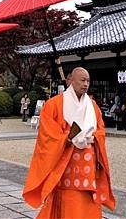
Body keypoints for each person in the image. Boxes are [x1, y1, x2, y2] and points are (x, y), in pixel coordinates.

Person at [23, 67, 115, 218]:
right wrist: (66, 139)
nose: (86, 84)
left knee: (88, 198)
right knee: (68, 198)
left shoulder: (93, 106)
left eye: (88, 81)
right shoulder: (54, 104)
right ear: (70, 81)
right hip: (67, 163)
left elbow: (101, 130)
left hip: (88, 162)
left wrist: (93, 137)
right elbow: (48, 134)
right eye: (82, 80)